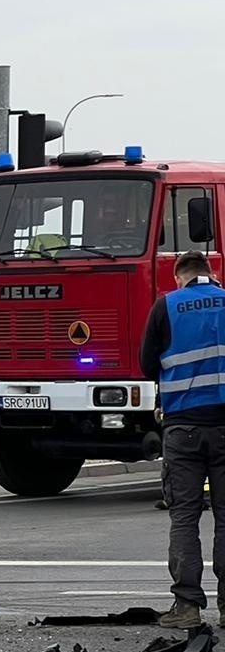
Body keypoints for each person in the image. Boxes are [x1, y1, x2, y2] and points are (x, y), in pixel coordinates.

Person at [139, 250, 225, 629]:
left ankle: (188, 607)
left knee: (185, 518)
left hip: (183, 427)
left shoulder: (167, 306)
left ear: (180, 277)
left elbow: (147, 364)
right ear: (210, 273)